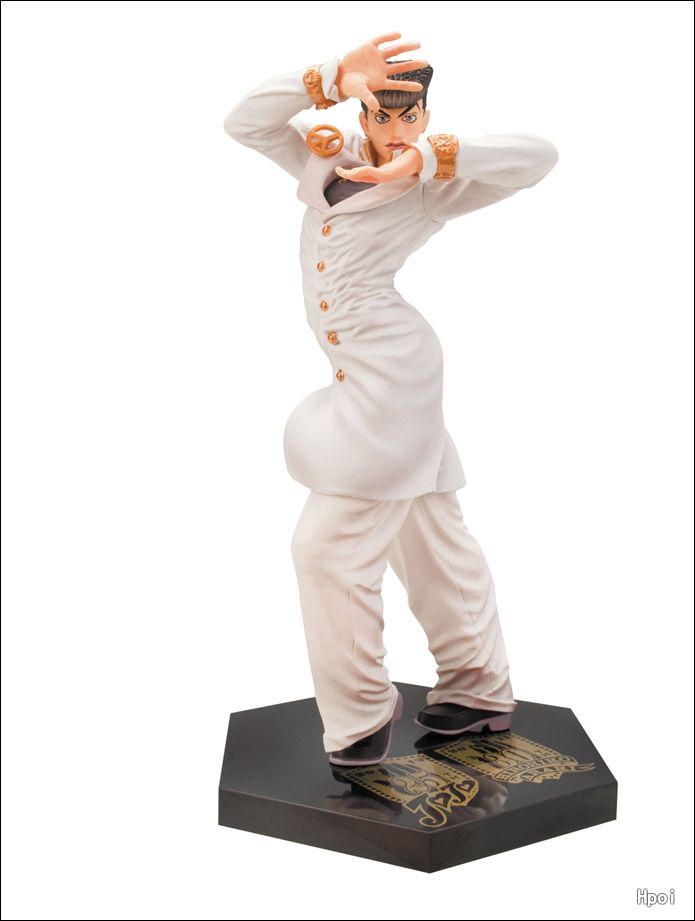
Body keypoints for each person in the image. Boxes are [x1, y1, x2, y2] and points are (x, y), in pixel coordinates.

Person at [223, 32, 559, 767]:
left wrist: (434, 156)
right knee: (429, 535)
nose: (395, 128)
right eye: (382, 113)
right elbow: (244, 122)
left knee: (326, 548)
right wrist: (325, 75)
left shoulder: (431, 181)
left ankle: (360, 715)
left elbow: (538, 157)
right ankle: (478, 685)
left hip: (392, 375)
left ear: (426, 116)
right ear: (363, 112)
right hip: (358, 373)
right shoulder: (327, 153)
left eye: (411, 115)